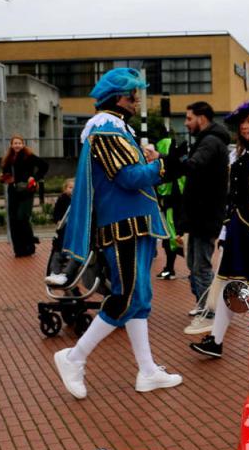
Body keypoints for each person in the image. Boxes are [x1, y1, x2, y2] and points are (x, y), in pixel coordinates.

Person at [54, 68, 182, 400]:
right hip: (122, 226)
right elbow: (128, 177)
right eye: (131, 95)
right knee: (125, 296)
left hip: (132, 224)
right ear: (116, 98)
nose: (136, 100)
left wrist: (156, 163)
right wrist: (166, 166)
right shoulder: (107, 130)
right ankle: (74, 357)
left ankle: (148, 370)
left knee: (138, 299)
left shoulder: (113, 128)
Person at [190, 101, 249, 358]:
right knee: (230, 285)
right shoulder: (237, 155)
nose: (247, 127)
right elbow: (232, 197)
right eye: (244, 123)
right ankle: (215, 340)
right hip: (238, 229)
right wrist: (226, 231)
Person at [162, 101, 231, 333]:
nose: (187, 123)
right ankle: (208, 306)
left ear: (202, 118)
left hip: (205, 216)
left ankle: (211, 312)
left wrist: (170, 160)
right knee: (194, 264)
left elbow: (193, 166)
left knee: (200, 266)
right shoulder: (207, 141)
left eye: (189, 118)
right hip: (200, 216)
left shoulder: (210, 142)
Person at [0, 134, 48, 258]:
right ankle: (19, 250)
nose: (17, 145)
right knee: (13, 220)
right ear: (11, 145)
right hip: (13, 191)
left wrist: (35, 177)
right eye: (15, 143)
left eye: (19, 143)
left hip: (26, 190)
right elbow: (5, 173)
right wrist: (4, 178)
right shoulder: (8, 158)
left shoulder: (29, 156)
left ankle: (29, 246)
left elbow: (44, 166)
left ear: (23, 144)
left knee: (22, 218)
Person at [153, 136, 186, 280]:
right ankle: (170, 268)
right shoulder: (180, 167)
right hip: (176, 209)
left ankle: (171, 269)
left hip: (172, 209)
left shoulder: (170, 171)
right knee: (174, 239)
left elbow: (163, 190)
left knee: (172, 239)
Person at [44, 178, 75, 286]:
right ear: (65, 189)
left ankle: (65, 275)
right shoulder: (63, 199)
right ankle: (54, 273)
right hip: (64, 229)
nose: (73, 190)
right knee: (57, 253)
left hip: (75, 231)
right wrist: (58, 221)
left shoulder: (80, 200)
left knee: (73, 255)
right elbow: (56, 212)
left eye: (75, 188)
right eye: (70, 188)